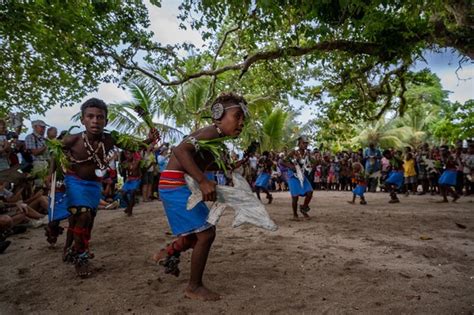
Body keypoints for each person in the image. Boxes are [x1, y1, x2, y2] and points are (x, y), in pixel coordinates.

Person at [153, 92, 248, 301]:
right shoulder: (211, 131)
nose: (241, 122)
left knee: (198, 233)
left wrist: (238, 163)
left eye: (244, 119)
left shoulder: (217, 140)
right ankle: (193, 287)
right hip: (175, 184)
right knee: (206, 233)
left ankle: (167, 252)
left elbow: (208, 163)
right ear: (218, 114)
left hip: (177, 184)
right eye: (237, 116)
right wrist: (203, 181)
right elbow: (180, 151)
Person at [50, 98, 159, 277]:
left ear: (106, 121)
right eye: (90, 116)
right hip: (75, 182)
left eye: (100, 117)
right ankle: (81, 259)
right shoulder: (73, 139)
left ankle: (70, 249)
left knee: (84, 220)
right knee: (82, 216)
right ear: (82, 120)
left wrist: (150, 139)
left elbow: (137, 146)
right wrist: (52, 177)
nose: (95, 120)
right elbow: (55, 153)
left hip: (94, 185)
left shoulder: (110, 139)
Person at [282, 136, 314, 220]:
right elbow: (282, 161)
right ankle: (295, 215)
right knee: (295, 197)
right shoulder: (294, 152)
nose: (305, 145)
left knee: (310, 192)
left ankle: (303, 208)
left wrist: (317, 162)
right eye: (304, 143)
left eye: (307, 143)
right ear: (299, 143)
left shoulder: (307, 154)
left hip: (301, 176)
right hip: (292, 176)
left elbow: (311, 163)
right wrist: (291, 166)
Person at [121, 150, 142, 216]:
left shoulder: (137, 161)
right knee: (123, 194)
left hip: (136, 179)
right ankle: (129, 206)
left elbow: (134, 168)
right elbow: (123, 173)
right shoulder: (125, 162)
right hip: (129, 180)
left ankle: (130, 210)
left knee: (132, 193)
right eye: (126, 154)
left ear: (132, 154)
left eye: (129, 154)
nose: (128, 156)